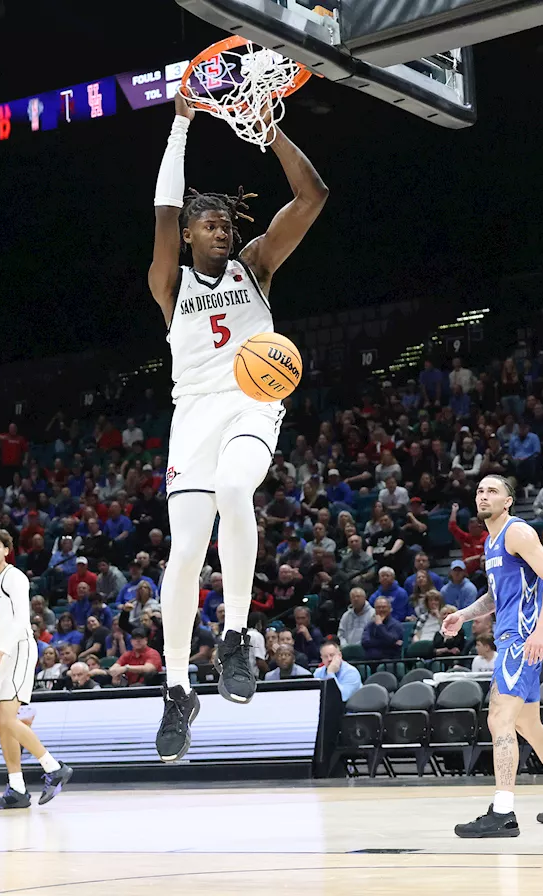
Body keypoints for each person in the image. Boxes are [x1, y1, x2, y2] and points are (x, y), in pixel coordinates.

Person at [148, 91, 327, 763]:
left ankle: (233, 638)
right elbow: (164, 208)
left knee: (234, 492)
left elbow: (312, 196)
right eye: (210, 225)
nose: (221, 231)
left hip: (252, 403)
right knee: (185, 555)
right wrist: (180, 125)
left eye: (227, 224)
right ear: (191, 236)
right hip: (192, 417)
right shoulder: (169, 282)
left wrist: (273, 132)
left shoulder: (257, 266)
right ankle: (175, 690)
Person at [442, 475, 543, 838]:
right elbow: (497, 597)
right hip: (514, 636)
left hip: (522, 639)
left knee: (499, 719)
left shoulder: (516, 532)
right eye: (479, 490)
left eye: (492, 491)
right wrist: (463, 615)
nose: (483, 495)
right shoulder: (492, 542)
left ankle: (503, 811)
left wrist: (541, 631)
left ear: (508, 501)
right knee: (529, 726)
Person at [0, 528, 73, 810]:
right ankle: (17, 788)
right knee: (0, 721)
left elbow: (20, 621)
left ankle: (53, 767)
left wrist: (1, 654)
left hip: (18, 649)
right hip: (1, 653)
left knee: (7, 719)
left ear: (7, 550)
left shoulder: (13, 577)